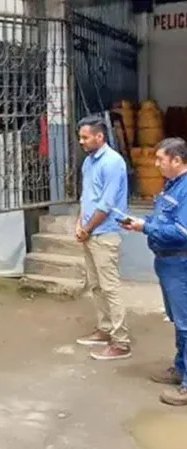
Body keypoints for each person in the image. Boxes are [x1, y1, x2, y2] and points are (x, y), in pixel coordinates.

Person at [121, 137, 187, 406]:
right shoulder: (172, 186)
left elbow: (182, 232)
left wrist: (145, 228)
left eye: (161, 159)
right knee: (179, 321)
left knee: (186, 323)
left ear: (177, 160)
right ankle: (180, 368)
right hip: (167, 263)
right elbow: (163, 220)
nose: (156, 164)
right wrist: (142, 222)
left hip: (180, 263)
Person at [74, 116, 131, 361]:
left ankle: (121, 342)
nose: (81, 141)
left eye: (85, 137)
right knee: (96, 285)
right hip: (90, 232)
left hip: (105, 233)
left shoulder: (113, 162)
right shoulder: (89, 162)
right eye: (80, 137)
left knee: (110, 287)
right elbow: (86, 196)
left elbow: (106, 204)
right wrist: (80, 223)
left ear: (100, 136)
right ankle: (105, 329)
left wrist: (87, 228)